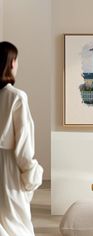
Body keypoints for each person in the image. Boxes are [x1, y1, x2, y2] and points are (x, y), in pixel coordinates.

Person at [0, 41, 43, 236]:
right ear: (11, 63)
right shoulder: (16, 97)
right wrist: (30, 175)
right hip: (8, 169)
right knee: (15, 224)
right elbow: (23, 145)